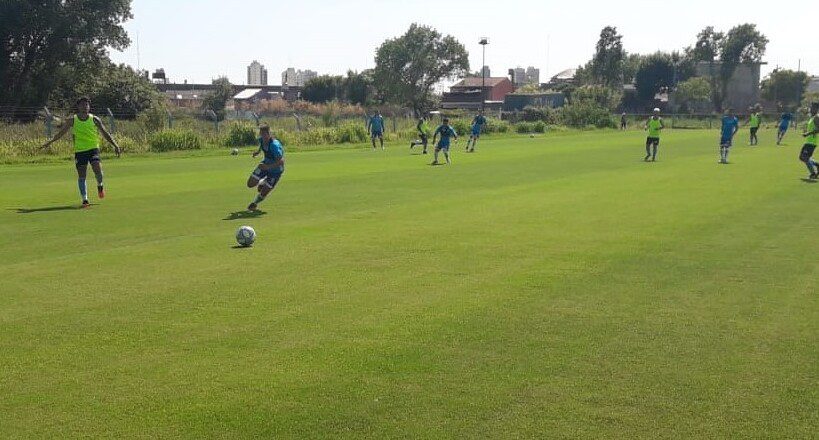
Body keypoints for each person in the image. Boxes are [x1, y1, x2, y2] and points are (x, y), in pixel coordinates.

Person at [41, 96, 121, 208]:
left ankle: (100, 185)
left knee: (97, 168)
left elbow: (105, 132)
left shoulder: (94, 119)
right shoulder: (72, 120)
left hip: (93, 148)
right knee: (82, 175)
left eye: (86, 105)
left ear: (89, 107)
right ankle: (85, 199)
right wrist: (50, 142)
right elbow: (61, 133)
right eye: (82, 105)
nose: (84, 107)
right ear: (78, 106)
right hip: (80, 150)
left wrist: (115, 145)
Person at [246, 125, 285, 211]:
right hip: (264, 165)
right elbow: (262, 147)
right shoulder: (261, 140)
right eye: (261, 134)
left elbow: (281, 161)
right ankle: (262, 182)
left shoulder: (274, 145)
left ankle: (254, 203)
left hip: (276, 171)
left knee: (264, 192)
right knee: (250, 184)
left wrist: (268, 167)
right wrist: (257, 152)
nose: (262, 136)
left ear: (269, 134)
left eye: (264, 134)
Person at [799, 103, 819, 179]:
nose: (810, 109)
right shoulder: (812, 118)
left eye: (812, 108)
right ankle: (817, 165)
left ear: (816, 109)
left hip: (812, 142)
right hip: (809, 141)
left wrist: (808, 133)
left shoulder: (816, 118)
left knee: (804, 157)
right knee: (802, 157)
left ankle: (813, 174)